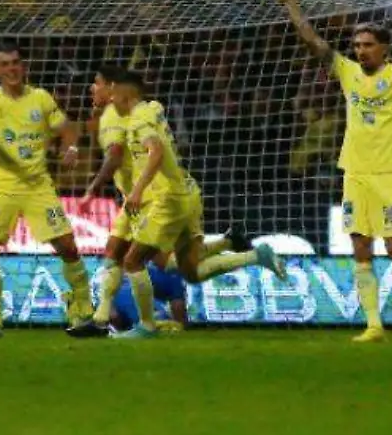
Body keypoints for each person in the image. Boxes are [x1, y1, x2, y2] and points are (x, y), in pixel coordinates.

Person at [277, 0, 392, 341]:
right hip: (355, 172)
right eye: (357, 46)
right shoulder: (347, 71)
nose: (360, 51)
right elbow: (313, 42)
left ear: (383, 49)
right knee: (360, 246)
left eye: (367, 45)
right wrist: (292, 5)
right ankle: (374, 324)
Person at [105, 67, 286, 339]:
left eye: (111, 91)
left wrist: (137, 191)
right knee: (190, 270)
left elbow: (156, 152)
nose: (110, 99)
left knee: (133, 261)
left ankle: (146, 326)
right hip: (188, 191)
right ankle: (255, 255)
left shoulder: (138, 119)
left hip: (169, 199)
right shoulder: (153, 107)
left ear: (124, 91)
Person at [83, 63, 246, 330]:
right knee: (129, 255)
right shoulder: (152, 108)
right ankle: (103, 317)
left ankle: (141, 325)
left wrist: (94, 188)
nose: (93, 87)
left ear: (115, 90)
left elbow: (121, 153)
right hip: (165, 192)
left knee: (152, 261)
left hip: (155, 197)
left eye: (97, 82)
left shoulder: (129, 116)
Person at [0, 44, 95, 338]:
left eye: (16, 63)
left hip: (37, 186)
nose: (11, 69)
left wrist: (71, 146)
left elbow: (67, 128)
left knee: (68, 248)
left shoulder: (41, 98)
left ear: (24, 66)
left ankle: (84, 311)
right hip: (1, 185)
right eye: (5, 64)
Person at [109, 250, 190, 333]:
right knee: (165, 320)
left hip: (116, 312)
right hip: (148, 317)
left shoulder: (130, 265)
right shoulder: (171, 273)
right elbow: (178, 307)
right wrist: (184, 326)